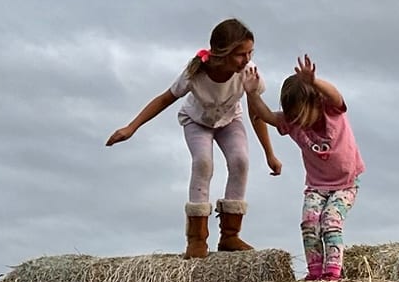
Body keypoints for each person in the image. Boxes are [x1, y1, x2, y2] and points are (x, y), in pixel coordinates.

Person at [107, 18, 281, 257]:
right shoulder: (196, 72)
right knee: (203, 163)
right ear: (223, 53)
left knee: (240, 161)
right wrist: (131, 127)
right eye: (241, 54)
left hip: (230, 120)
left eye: (250, 52)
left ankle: (230, 236)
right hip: (197, 122)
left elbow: (256, 113)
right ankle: (197, 239)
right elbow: (164, 99)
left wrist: (269, 153)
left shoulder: (248, 74)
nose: (248, 59)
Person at [250, 55, 363, 280]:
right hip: (316, 185)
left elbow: (335, 95)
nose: (299, 122)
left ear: (315, 103)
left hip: (346, 183)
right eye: (294, 117)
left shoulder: (331, 111)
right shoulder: (293, 123)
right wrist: (251, 93)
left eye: (302, 116)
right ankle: (314, 272)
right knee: (309, 223)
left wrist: (314, 82)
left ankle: (332, 272)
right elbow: (265, 115)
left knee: (331, 220)